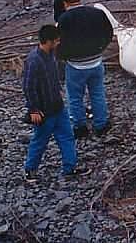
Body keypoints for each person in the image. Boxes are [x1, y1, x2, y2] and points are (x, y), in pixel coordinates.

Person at [22, 25, 89, 182]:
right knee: (40, 141)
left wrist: (58, 89)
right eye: (56, 41)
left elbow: (54, 76)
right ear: (48, 41)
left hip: (58, 107)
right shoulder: (33, 60)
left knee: (67, 137)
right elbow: (28, 87)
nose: (59, 43)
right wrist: (33, 109)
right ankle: (30, 170)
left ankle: (70, 168)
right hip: (44, 111)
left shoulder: (52, 54)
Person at [57, 0, 113, 139]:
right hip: (96, 61)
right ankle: (101, 125)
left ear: (65, 3)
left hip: (76, 65)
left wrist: (63, 57)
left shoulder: (64, 19)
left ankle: (80, 127)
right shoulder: (97, 13)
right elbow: (109, 32)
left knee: (75, 97)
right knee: (97, 93)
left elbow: (58, 43)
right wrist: (101, 49)